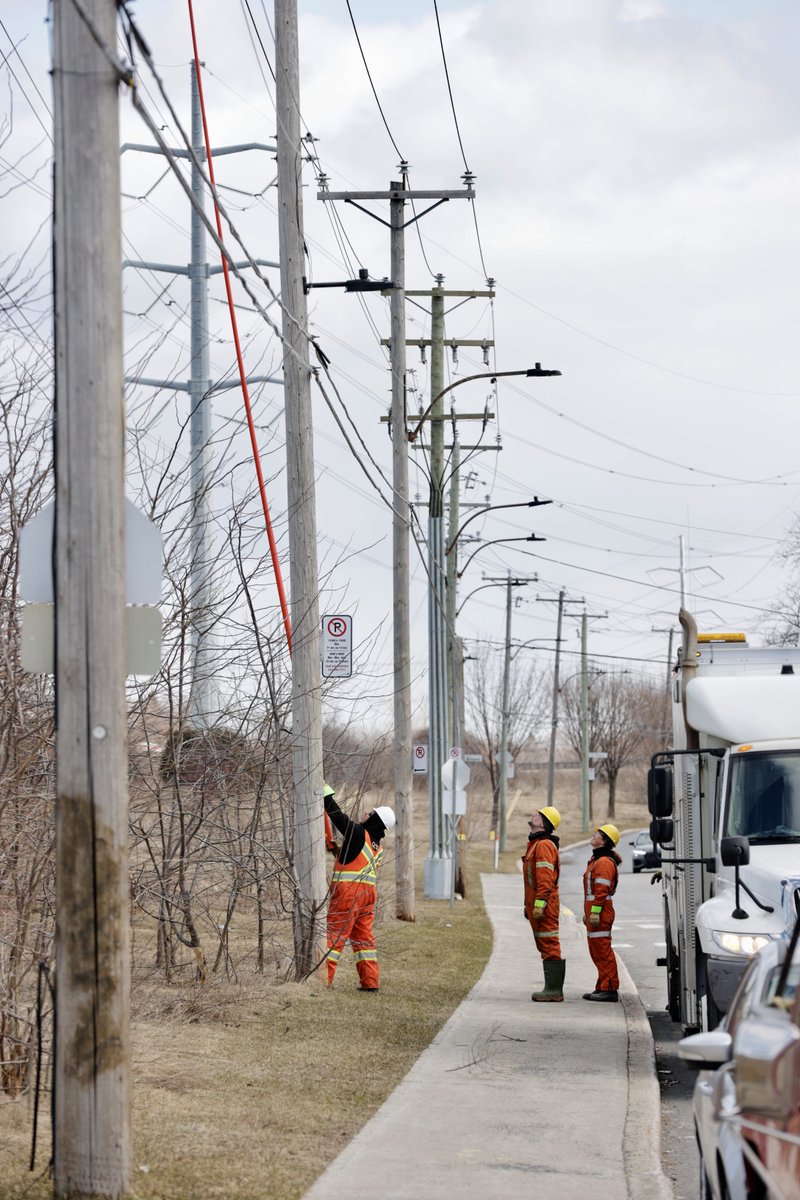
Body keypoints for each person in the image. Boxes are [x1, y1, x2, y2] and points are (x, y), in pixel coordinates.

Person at [324, 783, 395, 992]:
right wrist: (338, 852)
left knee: (334, 935)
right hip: (368, 896)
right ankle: (370, 982)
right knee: (363, 939)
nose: (366, 812)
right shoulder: (376, 845)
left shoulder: (357, 833)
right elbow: (356, 860)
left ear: (375, 820)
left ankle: (322, 978)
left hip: (348, 893)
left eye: (371, 812)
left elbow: (337, 817)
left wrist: (325, 793)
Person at [523, 806, 565, 1002]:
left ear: (544, 823)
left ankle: (554, 990)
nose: (534, 814)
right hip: (538, 903)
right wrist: (528, 905)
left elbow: (545, 878)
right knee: (544, 943)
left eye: (538, 814)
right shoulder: (535, 844)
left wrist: (539, 903)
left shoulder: (544, 845)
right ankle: (551, 988)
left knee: (549, 942)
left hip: (545, 904)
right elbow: (532, 879)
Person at [582, 823, 622, 1002]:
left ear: (604, 840)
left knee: (603, 951)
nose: (593, 834)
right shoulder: (598, 859)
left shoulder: (604, 862)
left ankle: (610, 989)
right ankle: (602, 986)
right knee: (597, 951)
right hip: (596, 912)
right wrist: (589, 913)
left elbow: (601, 890)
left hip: (601, 912)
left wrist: (595, 912)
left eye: (597, 833)